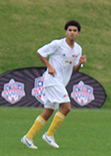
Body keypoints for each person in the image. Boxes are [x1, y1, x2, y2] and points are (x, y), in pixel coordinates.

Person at [21, 20, 86, 149]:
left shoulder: (78, 49)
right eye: (70, 30)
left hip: (61, 82)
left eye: (75, 31)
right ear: (66, 31)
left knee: (48, 111)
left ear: (78, 33)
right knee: (67, 108)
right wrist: (49, 66)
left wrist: (80, 63)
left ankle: (28, 137)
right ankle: (49, 135)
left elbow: (74, 69)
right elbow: (40, 52)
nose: (72, 33)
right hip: (52, 80)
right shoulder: (58, 44)